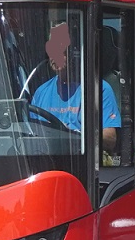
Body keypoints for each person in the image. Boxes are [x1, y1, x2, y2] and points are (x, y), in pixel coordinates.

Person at [30, 22, 120, 153]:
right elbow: (30, 132)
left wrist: (74, 135)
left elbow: (110, 139)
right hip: (45, 159)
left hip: (81, 160)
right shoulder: (41, 92)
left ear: (75, 51)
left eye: (62, 48)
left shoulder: (100, 90)